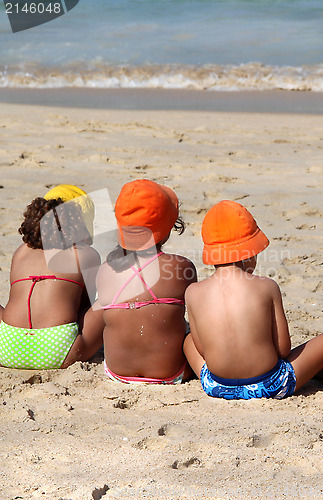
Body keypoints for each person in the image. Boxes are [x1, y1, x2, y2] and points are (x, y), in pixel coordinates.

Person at [184, 200, 323, 399]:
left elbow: (202, 350)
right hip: (271, 384)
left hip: (216, 385)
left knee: (187, 339)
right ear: (248, 254)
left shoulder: (193, 292)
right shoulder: (266, 286)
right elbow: (283, 350)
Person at [95, 179, 197, 384]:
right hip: (171, 373)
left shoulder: (105, 270)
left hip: (117, 372)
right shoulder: (181, 267)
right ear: (168, 227)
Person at [0, 186, 104, 370]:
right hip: (57, 351)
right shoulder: (86, 255)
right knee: (106, 302)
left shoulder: (21, 251)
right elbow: (84, 308)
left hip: (7, 347)